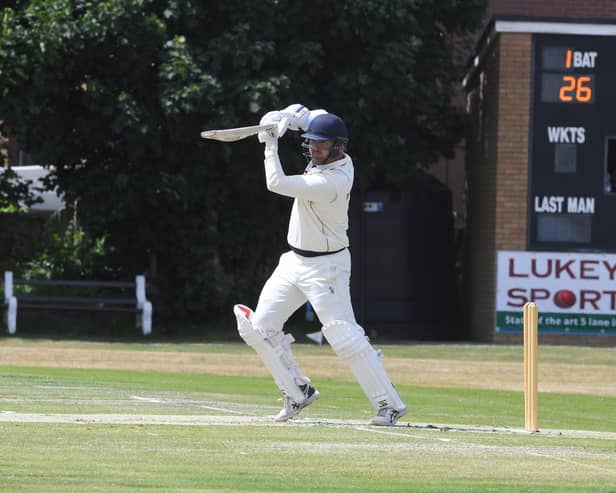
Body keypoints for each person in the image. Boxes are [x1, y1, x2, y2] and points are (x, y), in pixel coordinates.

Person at [233, 104, 407, 426]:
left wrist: (271, 142)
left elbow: (276, 183)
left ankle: (389, 404)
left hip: (327, 267)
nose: (315, 148)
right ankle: (297, 392)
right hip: (294, 261)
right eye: (311, 143)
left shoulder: (334, 181)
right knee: (260, 329)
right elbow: (314, 113)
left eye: (322, 145)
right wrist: (286, 115)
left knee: (343, 336)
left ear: (338, 147)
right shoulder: (325, 148)